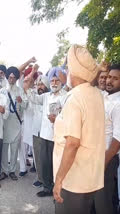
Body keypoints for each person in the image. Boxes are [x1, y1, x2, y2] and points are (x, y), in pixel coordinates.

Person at [53, 44, 105, 214]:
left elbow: (72, 143)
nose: (67, 72)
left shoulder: (75, 98)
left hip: (73, 181)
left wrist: (59, 179)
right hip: (90, 177)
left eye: (68, 67)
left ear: (73, 71)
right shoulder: (96, 94)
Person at [24, 65, 67, 197]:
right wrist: (28, 85)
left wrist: (57, 119)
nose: (54, 83)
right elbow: (33, 98)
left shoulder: (66, 96)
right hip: (44, 135)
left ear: (62, 82)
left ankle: (58, 191)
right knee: (45, 164)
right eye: (52, 81)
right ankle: (47, 188)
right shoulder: (46, 96)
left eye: (57, 81)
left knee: (57, 165)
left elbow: (69, 116)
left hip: (58, 137)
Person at [93, 64, 120, 214]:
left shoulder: (118, 104)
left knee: (104, 203)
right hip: (95, 156)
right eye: (109, 77)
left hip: (106, 159)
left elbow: (117, 140)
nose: (109, 81)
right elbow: (91, 84)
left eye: (115, 79)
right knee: (94, 200)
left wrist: (103, 163)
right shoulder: (104, 97)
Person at [0, 66, 26, 181]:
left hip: (16, 123)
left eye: (13, 78)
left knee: (14, 149)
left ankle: (12, 171)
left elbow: (25, 106)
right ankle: (4, 171)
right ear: (7, 77)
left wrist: (21, 102)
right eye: (10, 77)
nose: (11, 79)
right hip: (5, 122)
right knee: (4, 149)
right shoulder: (2, 90)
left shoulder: (20, 91)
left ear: (16, 79)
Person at [31, 75, 50, 188]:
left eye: (42, 84)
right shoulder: (34, 97)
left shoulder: (50, 97)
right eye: (38, 85)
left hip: (48, 133)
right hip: (36, 131)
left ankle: (49, 180)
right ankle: (40, 178)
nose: (40, 87)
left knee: (48, 158)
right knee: (37, 157)